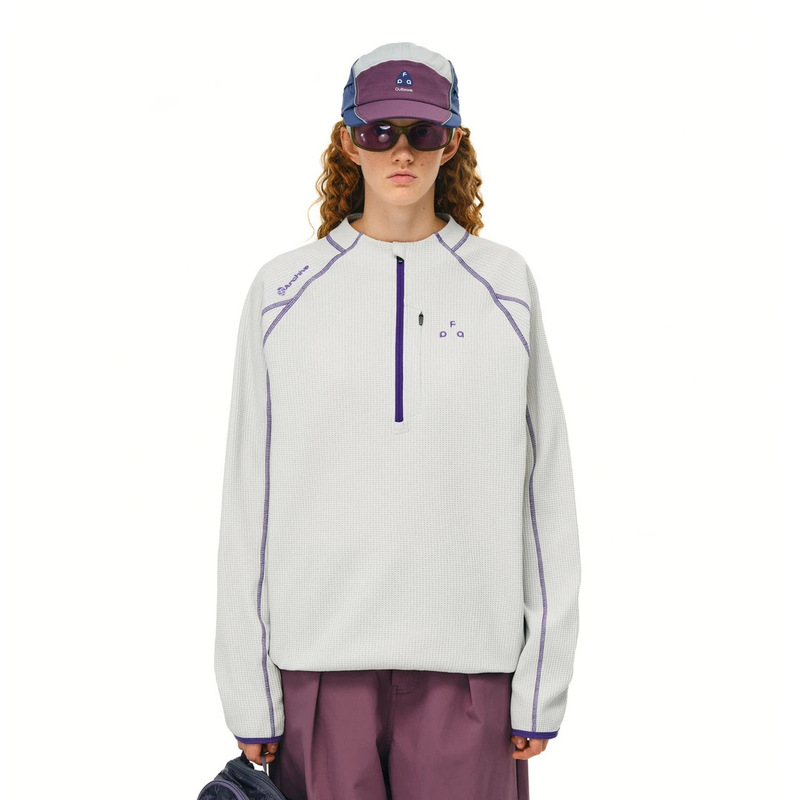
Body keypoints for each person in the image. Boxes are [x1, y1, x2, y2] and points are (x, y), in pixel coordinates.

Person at [214, 42, 582, 800]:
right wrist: (248, 688)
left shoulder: (505, 285)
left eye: (423, 131)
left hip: (472, 675)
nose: (402, 151)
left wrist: (542, 679)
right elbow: (250, 496)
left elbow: (544, 491)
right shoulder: (282, 291)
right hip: (319, 671)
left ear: (453, 141)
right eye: (380, 131)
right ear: (349, 140)